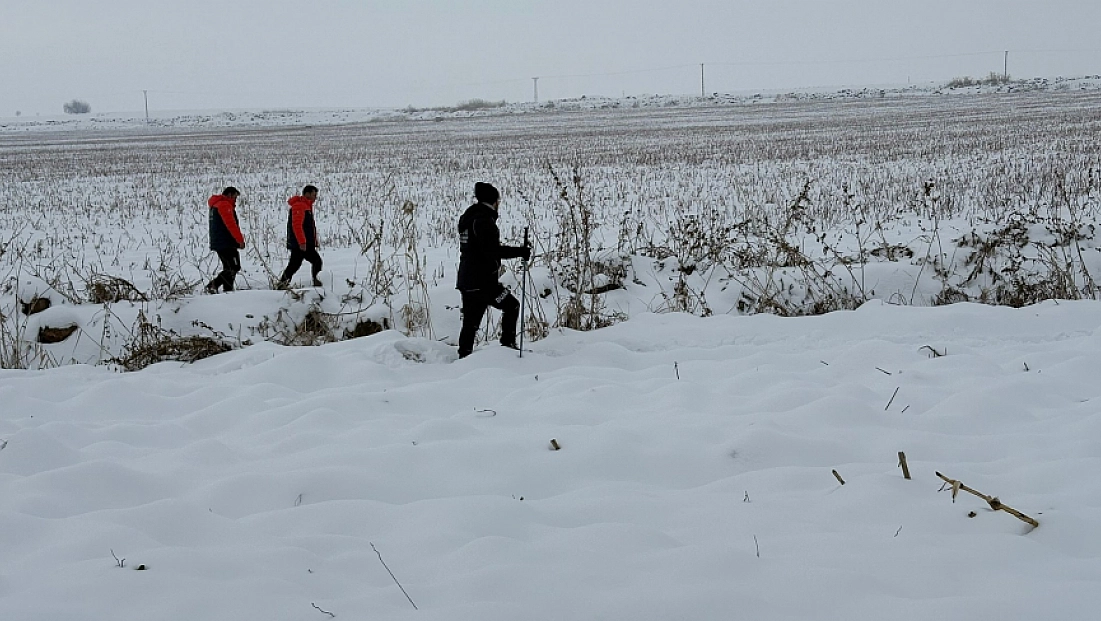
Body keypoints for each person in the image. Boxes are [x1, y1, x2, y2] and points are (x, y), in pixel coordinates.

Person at [456, 182, 531, 359]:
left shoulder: (468, 217)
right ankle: (507, 349)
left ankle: (464, 357)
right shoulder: (483, 221)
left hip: (467, 280)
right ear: (494, 201)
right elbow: (491, 251)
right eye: (498, 200)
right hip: (483, 283)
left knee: (470, 323)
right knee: (512, 306)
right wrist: (520, 251)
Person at [277, 185, 324, 289]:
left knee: (296, 264)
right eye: (314, 195)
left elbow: (308, 227)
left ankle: (281, 285)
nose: (315, 197)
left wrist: (313, 241)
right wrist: (302, 242)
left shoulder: (306, 206)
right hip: (301, 244)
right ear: (307, 194)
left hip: (304, 243)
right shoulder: (299, 206)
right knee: (314, 261)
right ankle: (317, 285)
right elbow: (297, 225)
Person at [205, 186, 245, 294]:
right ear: (230, 195)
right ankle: (213, 285)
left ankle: (228, 290)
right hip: (226, 242)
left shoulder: (216, 205)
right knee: (234, 267)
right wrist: (240, 240)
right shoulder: (224, 205)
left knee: (229, 267)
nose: (235, 200)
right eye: (235, 197)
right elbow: (231, 225)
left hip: (220, 242)